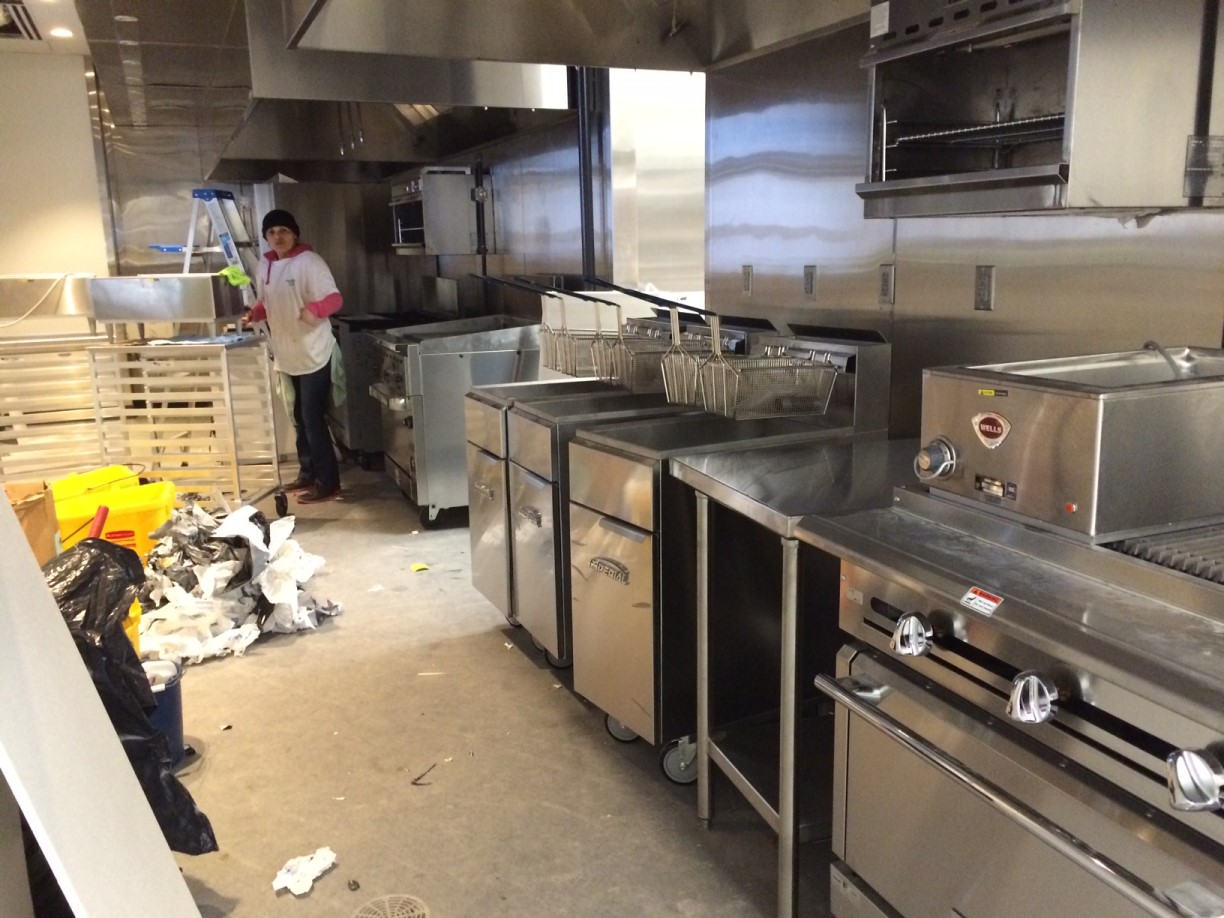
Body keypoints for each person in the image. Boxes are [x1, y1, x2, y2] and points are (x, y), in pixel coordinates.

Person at [246, 209, 344, 503]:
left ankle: (329, 483)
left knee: (312, 417)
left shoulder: (310, 262)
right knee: (299, 417)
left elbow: (334, 299)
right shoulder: (265, 265)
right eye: (272, 232)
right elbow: (267, 302)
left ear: (295, 234)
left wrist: (314, 310)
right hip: (287, 354)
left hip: (314, 351)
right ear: (266, 237)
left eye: (284, 231)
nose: (278, 236)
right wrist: (254, 314)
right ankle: (308, 472)